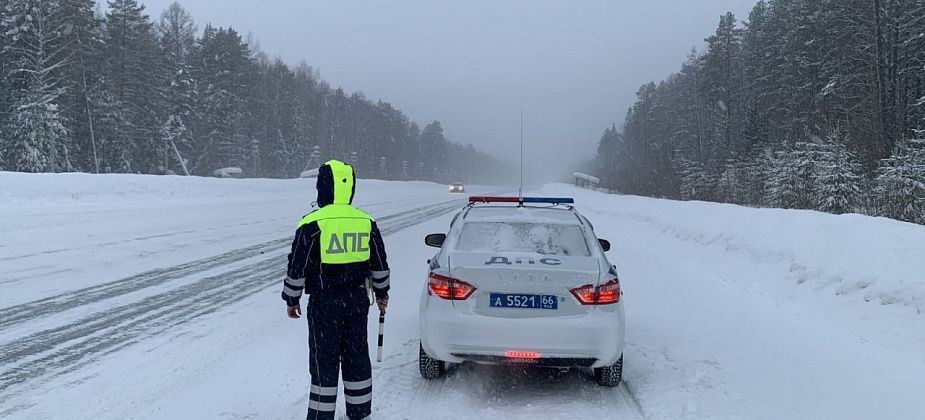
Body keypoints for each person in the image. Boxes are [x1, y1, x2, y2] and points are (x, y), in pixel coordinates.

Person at [282, 160, 390, 420]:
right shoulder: (365, 222)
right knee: (356, 358)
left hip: (323, 305)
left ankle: (321, 415)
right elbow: (379, 263)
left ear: (322, 187)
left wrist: (292, 299)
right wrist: (382, 293)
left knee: (324, 363)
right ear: (350, 188)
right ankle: (360, 412)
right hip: (356, 303)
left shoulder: (311, 223)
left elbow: (297, 266)